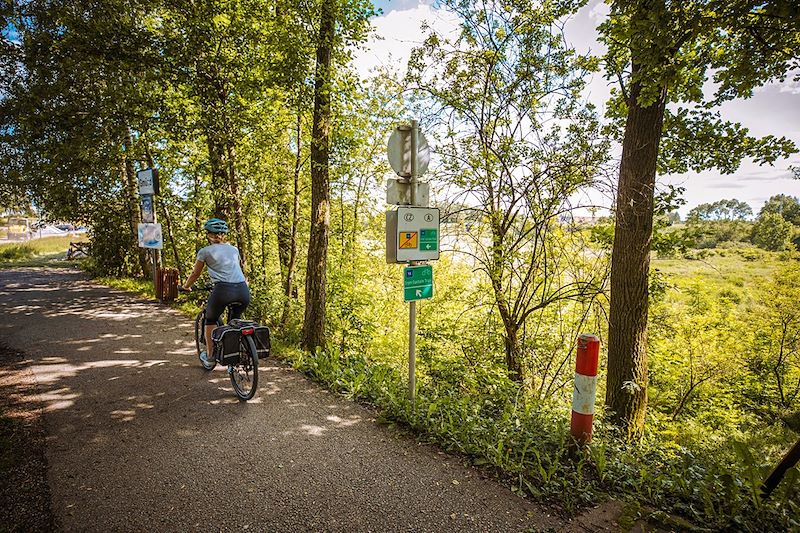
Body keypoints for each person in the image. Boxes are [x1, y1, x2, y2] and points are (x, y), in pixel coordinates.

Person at [182, 218, 250, 368]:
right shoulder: (233, 249)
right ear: (223, 234)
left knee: (210, 320)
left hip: (222, 291)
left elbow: (195, 274)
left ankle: (211, 356)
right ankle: (239, 351)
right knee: (234, 322)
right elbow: (235, 269)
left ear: (208, 234)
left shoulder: (204, 252)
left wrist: (186, 286)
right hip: (243, 291)